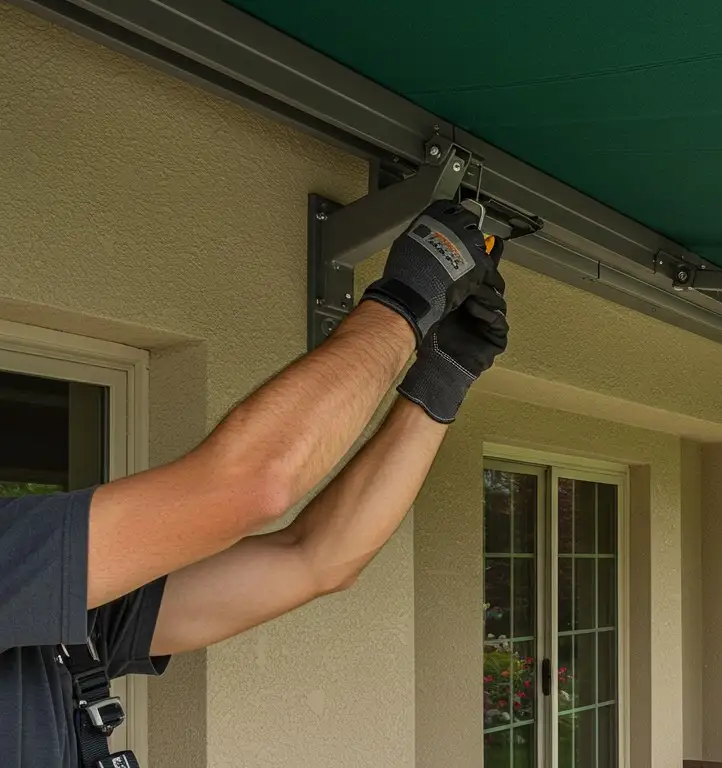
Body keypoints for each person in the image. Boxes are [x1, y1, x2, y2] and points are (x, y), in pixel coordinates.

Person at [0, 200, 509, 768]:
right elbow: (252, 487)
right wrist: (409, 298)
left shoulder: (52, 616)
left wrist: (441, 378)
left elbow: (317, 559)